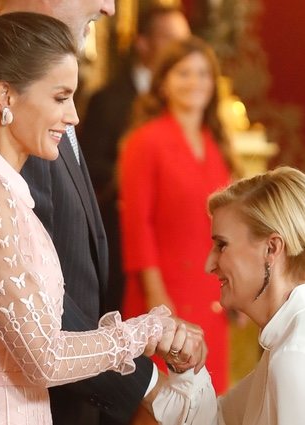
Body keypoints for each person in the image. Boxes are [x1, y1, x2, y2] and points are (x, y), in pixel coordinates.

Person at [0, 1, 207, 424]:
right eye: (61, 97)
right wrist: (148, 331)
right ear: (5, 95)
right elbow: (43, 356)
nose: (74, 115)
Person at [148, 166, 305, 424]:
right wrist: (182, 370)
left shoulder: (296, 356)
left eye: (222, 245)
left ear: (271, 249)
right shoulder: (304, 329)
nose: (209, 264)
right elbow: (221, 420)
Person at [119, 36, 231, 392]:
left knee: (208, 397)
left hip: (210, 287)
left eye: (203, 74)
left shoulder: (215, 144)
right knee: (163, 400)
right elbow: (136, 223)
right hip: (163, 290)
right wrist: (155, 294)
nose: (195, 82)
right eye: (184, 73)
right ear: (163, 82)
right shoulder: (145, 141)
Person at [79, 4, 190, 312]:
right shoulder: (108, 100)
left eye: (185, 40)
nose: (180, 51)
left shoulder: (186, 102)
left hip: (175, 249)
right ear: (143, 43)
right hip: (124, 245)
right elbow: (89, 169)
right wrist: (140, 175)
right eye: (171, 40)